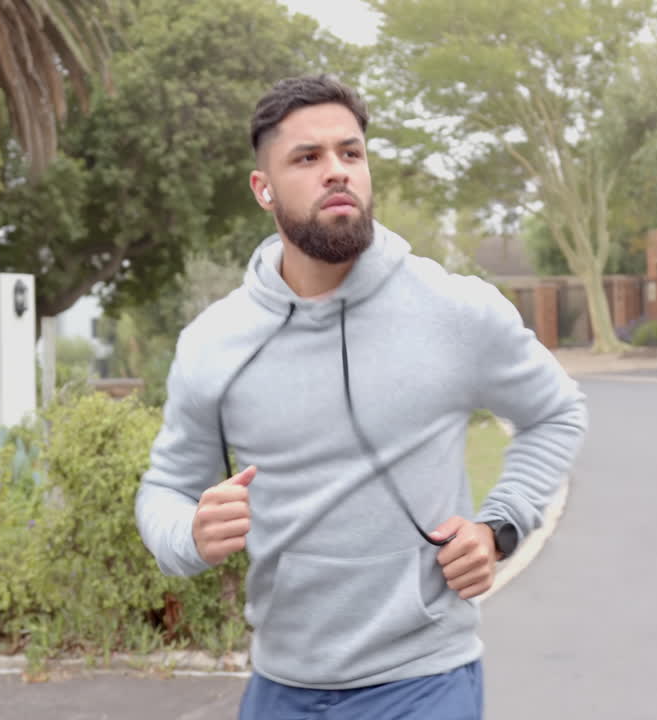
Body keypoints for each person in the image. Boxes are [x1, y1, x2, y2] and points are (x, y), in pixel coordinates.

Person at [135, 74, 588, 719]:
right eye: (307, 157)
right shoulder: (214, 343)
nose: (336, 171)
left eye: (350, 153)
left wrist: (500, 525)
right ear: (263, 188)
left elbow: (555, 411)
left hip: (423, 682)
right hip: (281, 686)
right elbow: (163, 490)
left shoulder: (453, 309)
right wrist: (190, 533)